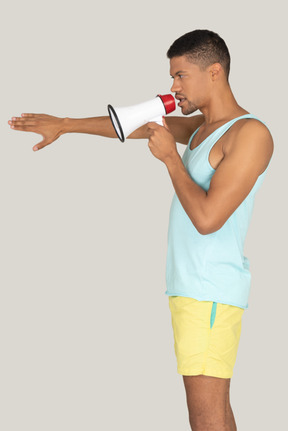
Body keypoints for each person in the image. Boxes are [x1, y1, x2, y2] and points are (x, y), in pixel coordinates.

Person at [8, 29, 273, 431]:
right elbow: (137, 128)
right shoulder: (203, 129)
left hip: (210, 292)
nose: (173, 86)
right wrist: (65, 124)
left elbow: (207, 219)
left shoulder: (250, 134)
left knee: (206, 421)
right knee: (216, 415)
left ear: (214, 72)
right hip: (194, 291)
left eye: (181, 75)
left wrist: (171, 160)